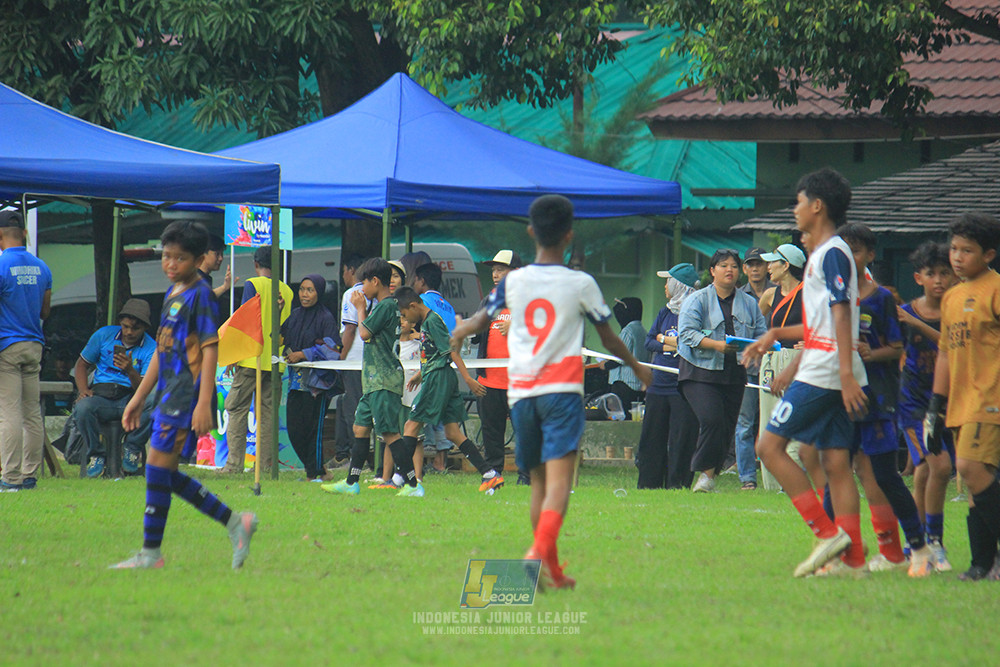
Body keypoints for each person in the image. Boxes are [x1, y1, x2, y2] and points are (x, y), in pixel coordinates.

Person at [451, 194, 653, 590]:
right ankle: (535, 554)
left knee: (539, 483)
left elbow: (478, 321)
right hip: (561, 391)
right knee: (560, 482)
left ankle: (551, 568)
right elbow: (610, 338)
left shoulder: (514, 280)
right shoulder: (581, 283)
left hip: (522, 392)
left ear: (531, 233)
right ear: (570, 235)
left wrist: (458, 331)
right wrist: (637, 367)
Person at [111, 220, 256, 569]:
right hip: (166, 395)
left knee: (157, 470)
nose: (171, 264)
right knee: (163, 473)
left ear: (198, 259)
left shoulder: (201, 294)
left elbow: (210, 350)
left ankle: (151, 554)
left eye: (180, 258)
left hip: (185, 397)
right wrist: (138, 397)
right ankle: (236, 522)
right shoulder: (172, 293)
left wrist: (204, 402)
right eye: (167, 256)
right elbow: (163, 351)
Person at [745, 168, 868, 578]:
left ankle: (825, 533)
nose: (795, 210)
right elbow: (819, 322)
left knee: (769, 447)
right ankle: (853, 561)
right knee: (835, 463)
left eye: (798, 202)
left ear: (817, 206)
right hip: (828, 367)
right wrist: (777, 333)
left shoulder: (832, 251)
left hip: (826, 370)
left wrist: (846, 374)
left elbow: (840, 312)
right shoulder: (826, 254)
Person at [836, 223, 935, 576]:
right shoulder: (832, 295)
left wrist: (868, 352)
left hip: (876, 397)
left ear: (870, 255)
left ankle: (919, 548)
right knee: (836, 469)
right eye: (843, 251)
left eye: (857, 251)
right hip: (839, 397)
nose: (850, 257)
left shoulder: (880, 298)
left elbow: (896, 349)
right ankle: (838, 553)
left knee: (884, 475)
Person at [926, 212, 1000, 581]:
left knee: (970, 469)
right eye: (954, 249)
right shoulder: (953, 297)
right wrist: (935, 405)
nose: (956, 257)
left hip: (990, 398)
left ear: (988, 254)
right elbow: (944, 352)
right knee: (974, 482)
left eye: (966, 251)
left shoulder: (996, 289)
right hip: (959, 401)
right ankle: (982, 564)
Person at [321, 258, 423, 496]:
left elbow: (364, 333)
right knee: (360, 428)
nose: (360, 290)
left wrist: (359, 308)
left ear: (375, 281)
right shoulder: (384, 306)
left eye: (363, 284)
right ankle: (351, 483)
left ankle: (413, 485)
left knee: (389, 433)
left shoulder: (387, 305)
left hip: (383, 381)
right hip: (373, 381)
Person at [395, 286, 503, 492]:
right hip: (439, 376)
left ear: (413, 306)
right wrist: (421, 372)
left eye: (404, 314)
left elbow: (451, 352)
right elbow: (434, 353)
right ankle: (490, 475)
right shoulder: (426, 322)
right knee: (453, 432)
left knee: (410, 426)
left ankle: (400, 478)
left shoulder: (433, 321)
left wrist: (468, 379)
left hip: (438, 378)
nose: (405, 319)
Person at [677, 248, 766, 493]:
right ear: (712, 271)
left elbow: (760, 333)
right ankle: (703, 474)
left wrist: (756, 349)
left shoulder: (749, 303)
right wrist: (716, 345)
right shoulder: (697, 299)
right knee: (712, 419)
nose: (730, 270)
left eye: (734, 266)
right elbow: (686, 333)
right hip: (699, 370)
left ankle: (709, 477)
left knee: (726, 426)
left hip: (734, 372)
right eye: (724, 265)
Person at [897, 241, 956, 572]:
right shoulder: (904, 312)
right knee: (942, 468)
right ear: (918, 277)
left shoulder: (957, 310)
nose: (939, 280)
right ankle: (934, 541)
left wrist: (915, 324)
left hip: (949, 399)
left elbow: (951, 346)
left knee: (924, 472)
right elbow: (893, 350)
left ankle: (914, 542)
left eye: (944, 273)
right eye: (931, 273)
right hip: (914, 404)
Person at [221, 245, 293, 474]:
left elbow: (245, 321)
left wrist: (235, 353)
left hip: (251, 358)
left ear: (256, 264)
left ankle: (233, 465)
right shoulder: (288, 291)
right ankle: (264, 467)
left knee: (236, 408)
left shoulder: (253, 284)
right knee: (268, 416)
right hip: (275, 361)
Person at [73, 298, 157, 477]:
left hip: (130, 400)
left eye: (135, 328)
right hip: (102, 396)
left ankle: (132, 447)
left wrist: (130, 370)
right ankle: (96, 454)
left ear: (145, 328)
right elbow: (81, 365)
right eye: (125, 326)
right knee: (82, 407)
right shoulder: (104, 335)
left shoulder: (151, 348)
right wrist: (83, 390)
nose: (129, 332)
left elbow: (143, 389)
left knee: (156, 402)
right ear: (120, 323)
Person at [0, 210, 52, 492]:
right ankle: (30, 475)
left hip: (7, 346)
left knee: (9, 413)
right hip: (34, 345)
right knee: (32, 412)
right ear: (23, 233)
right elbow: (46, 311)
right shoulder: (42, 267)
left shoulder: (0, 266)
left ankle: (10, 477)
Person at [637, 262, 699, 489]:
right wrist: (666, 342)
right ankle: (648, 484)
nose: (665, 286)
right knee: (652, 438)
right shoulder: (665, 311)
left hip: (682, 388)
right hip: (658, 385)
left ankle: (677, 484)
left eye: (668, 282)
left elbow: (690, 344)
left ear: (678, 285)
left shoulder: (696, 312)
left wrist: (669, 340)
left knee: (681, 440)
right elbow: (650, 341)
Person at [755, 243, 807, 492]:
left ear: (786, 265)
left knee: (795, 420)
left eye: (772, 262)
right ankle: (772, 486)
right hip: (772, 361)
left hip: (800, 360)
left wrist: (810, 342)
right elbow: (755, 325)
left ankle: (793, 483)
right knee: (769, 420)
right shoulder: (769, 295)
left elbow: (822, 324)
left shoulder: (808, 292)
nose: (768, 267)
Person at [470, 250, 523, 482]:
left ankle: (526, 476)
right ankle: (493, 474)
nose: (495, 274)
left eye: (501, 269)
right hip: (489, 382)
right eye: (493, 270)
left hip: (520, 382)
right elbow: (474, 335)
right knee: (491, 433)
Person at [282, 274, 341, 481]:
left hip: (317, 385)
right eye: (302, 289)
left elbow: (333, 348)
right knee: (294, 430)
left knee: (313, 430)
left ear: (319, 292)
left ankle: (314, 473)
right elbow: (282, 337)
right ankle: (320, 470)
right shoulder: (296, 315)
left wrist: (304, 353)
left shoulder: (325, 317)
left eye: (310, 290)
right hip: (296, 384)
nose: (304, 294)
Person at [731, 247, 775, 489]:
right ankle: (748, 477)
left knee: (771, 423)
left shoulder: (779, 292)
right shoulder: (737, 296)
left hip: (774, 367)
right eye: (751, 264)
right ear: (745, 268)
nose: (755, 268)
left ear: (767, 267)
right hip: (747, 366)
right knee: (745, 424)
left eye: (759, 263)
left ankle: (775, 475)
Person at [412, 261, 458, 471]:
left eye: (415, 280)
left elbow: (421, 332)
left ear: (422, 281)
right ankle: (440, 460)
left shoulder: (421, 301)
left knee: (424, 413)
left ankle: (418, 464)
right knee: (443, 414)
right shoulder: (447, 304)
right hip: (448, 363)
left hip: (430, 362)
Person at [333, 253, 368, 467]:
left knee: (353, 408)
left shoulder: (352, 294)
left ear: (352, 270)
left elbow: (350, 329)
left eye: (344, 271)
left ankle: (357, 459)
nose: (343, 275)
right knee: (349, 405)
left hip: (354, 360)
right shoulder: (374, 294)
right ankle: (343, 453)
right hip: (368, 361)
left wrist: (340, 359)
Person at [604, 297, 648, 410]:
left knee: (620, 417)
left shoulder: (627, 331)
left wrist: (605, 365)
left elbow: (620, 357)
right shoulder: (643, 332)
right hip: (638, 384)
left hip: (623, 383)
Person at [197, 233, 234, 301]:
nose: (221, 258)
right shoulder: (193, 278)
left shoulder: (205, 277)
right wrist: (224, 287)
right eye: (217, 254)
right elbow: (201, 299)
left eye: (221, 254)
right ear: (203, 254)